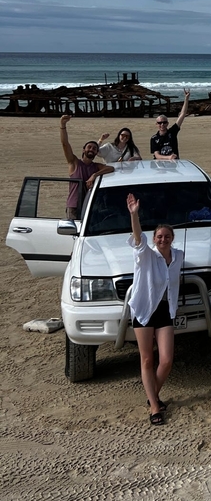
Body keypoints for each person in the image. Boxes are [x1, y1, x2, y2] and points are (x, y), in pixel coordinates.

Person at [126, 193, 183, 426]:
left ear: (172, 238)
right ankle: (154, 407)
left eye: (167, 236)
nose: (163, 239)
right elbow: (138, 238)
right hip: (144, 310)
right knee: (148, 359)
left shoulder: (178, 256)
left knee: (167, 359)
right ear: (154, 238)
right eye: (159, 236)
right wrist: (134, 214)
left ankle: (152, 399)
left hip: (165, 311)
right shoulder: (145, 254)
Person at [59, 114, 114, 219]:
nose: (91, 149)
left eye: (94, 148)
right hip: (74, 205)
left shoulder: (96, 166)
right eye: (89, 147)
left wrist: (95, 175)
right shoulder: (74, 162)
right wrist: (62, 125)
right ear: (83, 150)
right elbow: (65, 144)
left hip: (90, 206)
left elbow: (111, 168)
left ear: (96, 152)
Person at [151, 89, 191, 160]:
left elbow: (182, 114)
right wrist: (169, 157)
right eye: (160, 123)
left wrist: (186, 99)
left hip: (174, 164)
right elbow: (157, 155)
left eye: (164, 122)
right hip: (160, 166)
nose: (162, 124)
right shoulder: (154, 138)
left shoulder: (172, 132)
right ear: (156, 124)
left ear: (167, 123)